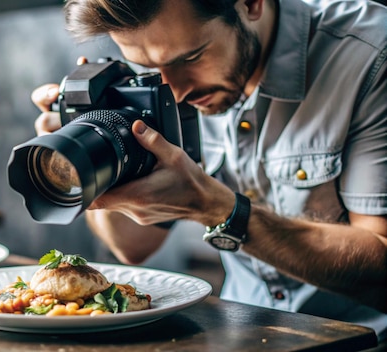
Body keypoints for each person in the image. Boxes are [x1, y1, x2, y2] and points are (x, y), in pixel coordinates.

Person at [31, 0, 387, 342]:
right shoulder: (168, 75)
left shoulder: (369, 57)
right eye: (150, 70)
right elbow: (133, 245)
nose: (178, 92)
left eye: (192, 57)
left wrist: (220, 211)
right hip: (243, 331)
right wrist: (89, 160)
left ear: (250, 4)